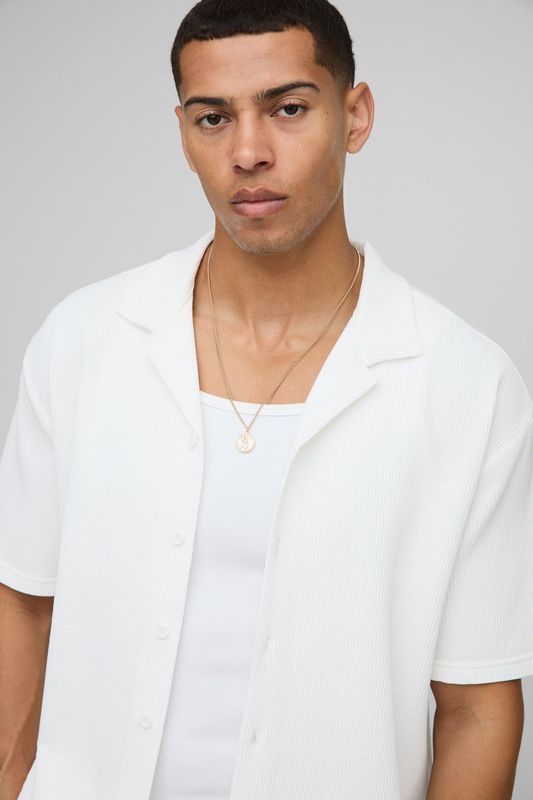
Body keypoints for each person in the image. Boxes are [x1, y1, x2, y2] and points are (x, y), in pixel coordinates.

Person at [1, 0, 532, 798]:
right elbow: (23, 608)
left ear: (355, 116)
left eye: (287, 109)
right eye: (213, 118)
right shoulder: (84, 340)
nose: (247, 152)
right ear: (182, 132)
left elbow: (477, 709)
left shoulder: (466, 384)